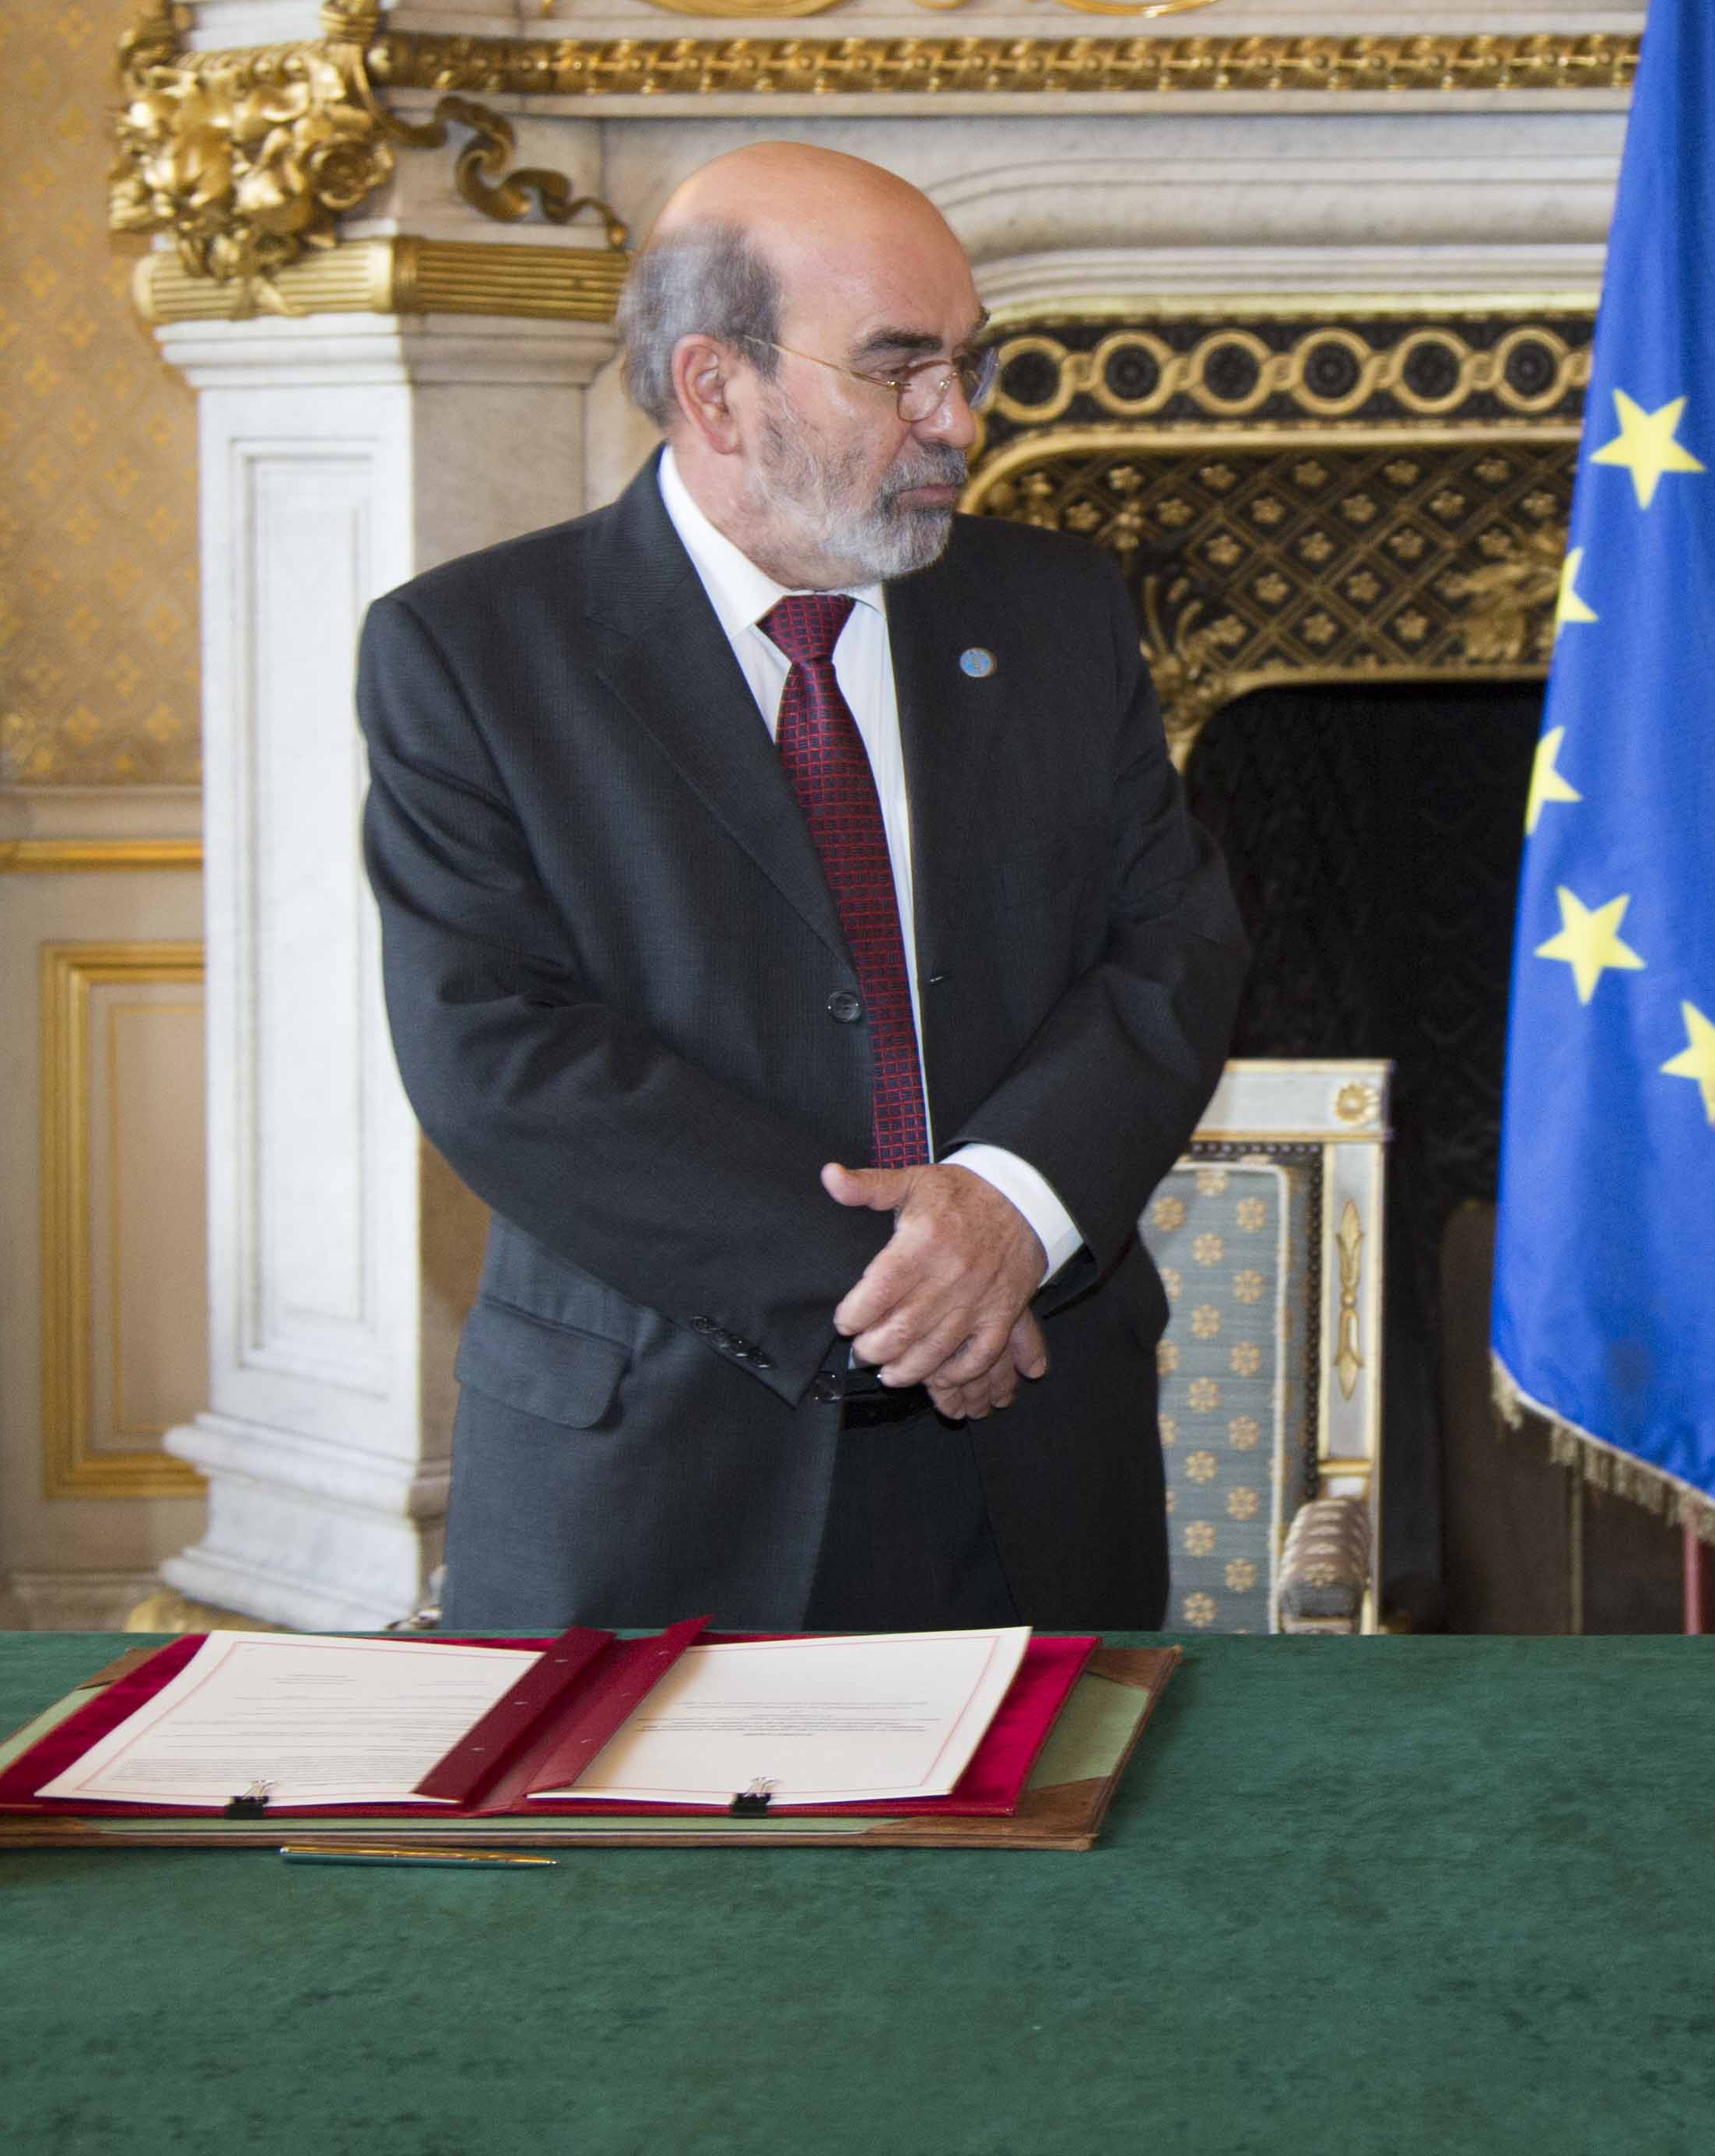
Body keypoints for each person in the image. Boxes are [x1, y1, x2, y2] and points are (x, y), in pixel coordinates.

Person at [359, 141, 1246, 1632]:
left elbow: (1172, 944)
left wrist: (1010, 1215)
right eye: (899, 371)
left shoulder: (1053, 610)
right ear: (717, 389)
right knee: (644, 1871)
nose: (954, 422)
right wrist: (916, 1283)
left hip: (1029, 1444)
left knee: (1043, 1857)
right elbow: (499, 1055)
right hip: (658, 1460)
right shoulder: (476, 652)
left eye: (969, 366)